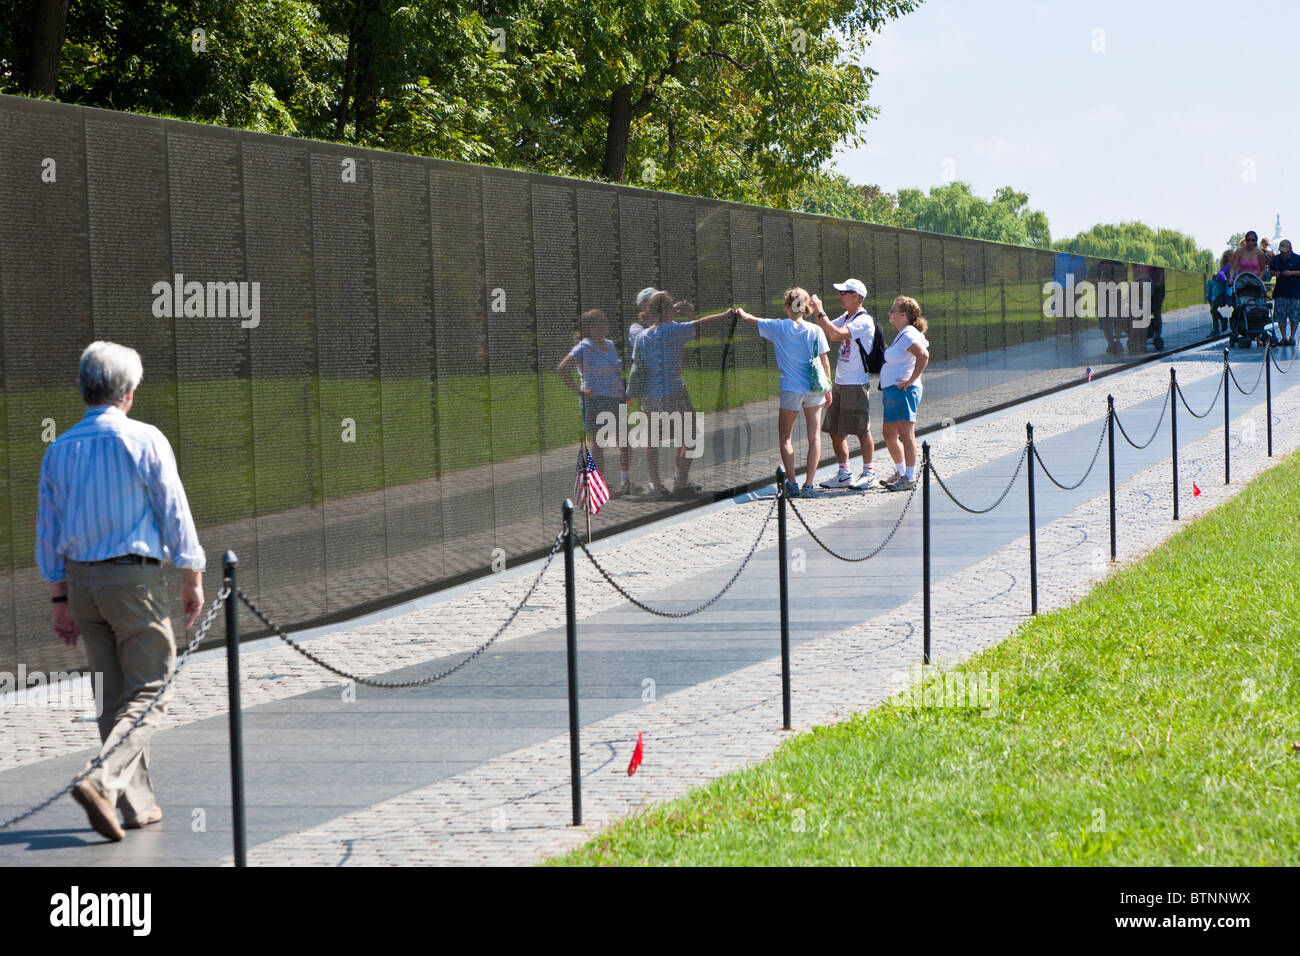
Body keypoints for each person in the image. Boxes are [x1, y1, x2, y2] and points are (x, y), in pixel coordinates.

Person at [37, 341, 206, 842]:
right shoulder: (145, 438)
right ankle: (101, 780)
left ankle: (136, 806)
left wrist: (60, 598)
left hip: (82, 582)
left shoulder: (59, 448)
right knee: (152, 687)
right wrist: (192, 574)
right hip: (133, 578)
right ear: (127, 392)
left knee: (113, 696)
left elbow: (48, 529)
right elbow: (173, 508)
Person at [630, 290, 731, 499]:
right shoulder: (673, 330)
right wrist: (723, 315)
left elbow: (637, 364)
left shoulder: (642, 336)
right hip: (673, 393)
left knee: (652, 441)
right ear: (667, 310)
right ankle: (681, 480)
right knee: (691, 435)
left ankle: (657, 485)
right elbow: (700, 326)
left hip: (649, 396)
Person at [731, 288, 832, 497]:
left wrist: (740, 312)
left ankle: (792, 483)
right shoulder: (816, 330)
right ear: (806, 307)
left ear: (787, 305)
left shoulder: (778, 327)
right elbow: (825, 360)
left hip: (791, 389)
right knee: (814, 438)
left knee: (785, 437)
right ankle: (809, 485)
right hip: (814, 389)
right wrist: (828, 387)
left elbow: (752, 320)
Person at [809, 278, 878, 489]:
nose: (839, 296)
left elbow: (836, 334)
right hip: (840, 383)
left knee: (861, 430)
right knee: (835, 430)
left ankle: (869, 473)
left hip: (856, 384)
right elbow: (826, 330)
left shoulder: (863, 320)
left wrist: (820, 311)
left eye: (843, 293)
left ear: (855, 296)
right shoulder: (847, 316)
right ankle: (844, 473)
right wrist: (811, 311)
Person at [557, 309, 631, 495]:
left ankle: (625, 481)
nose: (607, 325)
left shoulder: (610, 344)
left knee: (626, 441)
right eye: (603, 322)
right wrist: (578, 391)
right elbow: (563, 368)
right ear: (592, 327)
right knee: (599, 443)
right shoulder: (584, 346)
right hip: (596, 400)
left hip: (617, 398)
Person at [879, 296, 931, 492]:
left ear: (904, 315)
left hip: (903, 391)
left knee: (906, 434)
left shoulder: (908, 333)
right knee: (889, 434)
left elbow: (923, 355)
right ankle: (901, 472)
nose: (890, 313)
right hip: (893, 390)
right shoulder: (904, 333)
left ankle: (909, 477)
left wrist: (910, 380)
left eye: (893, 310)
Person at [1269, 238, 1300, 347]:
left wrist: (1291, 273)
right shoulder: (1276, 259)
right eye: (1281, 251)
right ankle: (1283, 337)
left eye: (1285, 251)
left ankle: (1292, 337)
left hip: (1294, 292)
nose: (1283, 253)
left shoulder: (1297, 259)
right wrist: (1276, 273)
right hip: (1280, 291)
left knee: (1294, 316)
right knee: (1281, 316)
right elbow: (1271, 271)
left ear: (1290, 249)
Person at [1207, 251, 1233, 335]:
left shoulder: (1229, 266)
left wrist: (1223, 279)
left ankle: (1217, 327)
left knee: (1213, 309)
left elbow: (1221, 275)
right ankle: (1221, 322)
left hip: (1223, 291)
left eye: (1232, 255)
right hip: (1226, 290)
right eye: (1230, 256)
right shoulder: (1230, 266)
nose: (1231, 257)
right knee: (1213, 309)